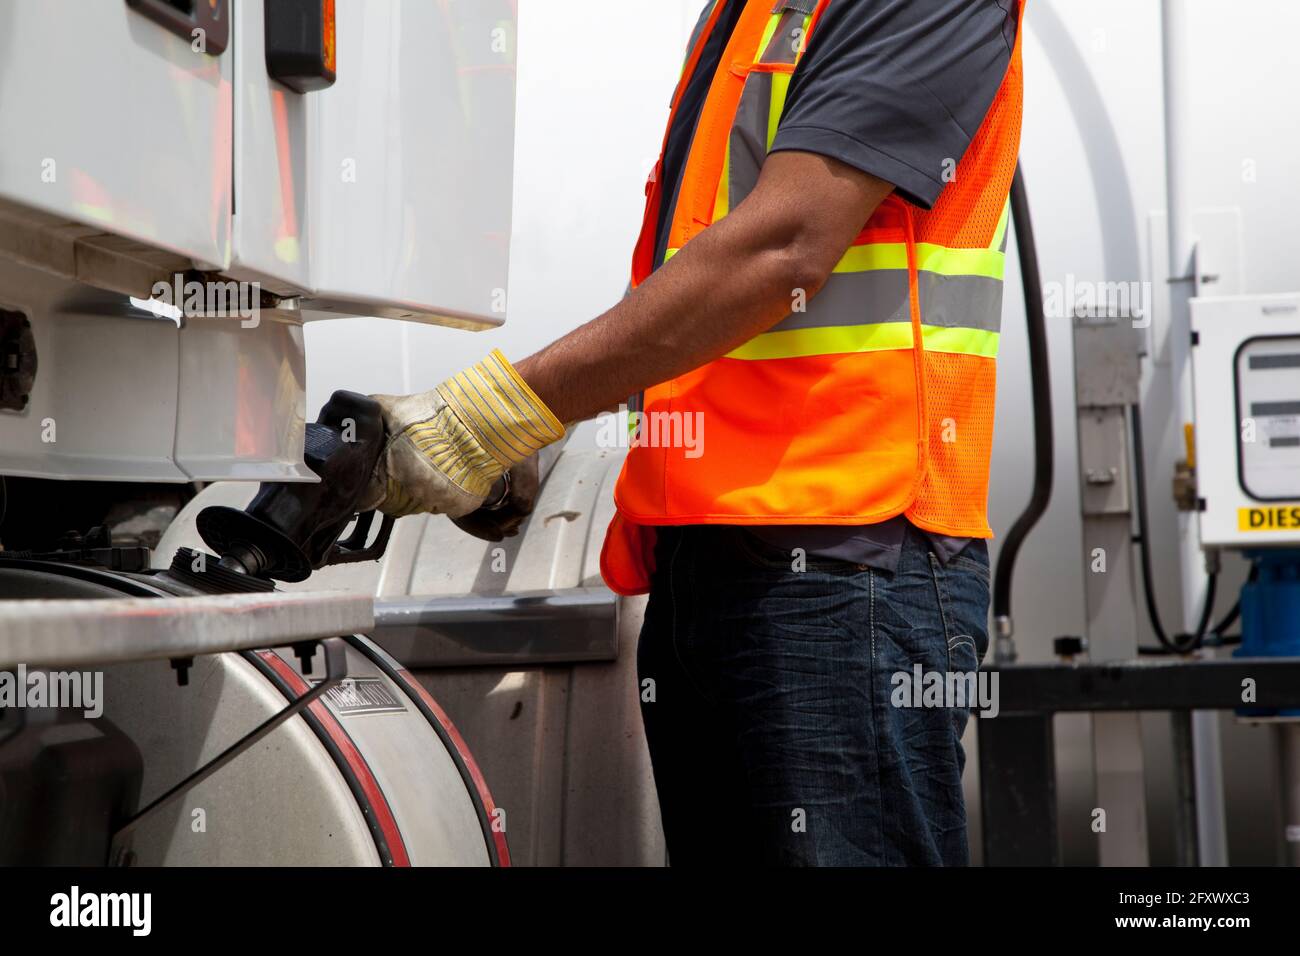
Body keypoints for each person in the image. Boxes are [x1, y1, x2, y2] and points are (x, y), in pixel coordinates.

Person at [365, 0, 1025, 866]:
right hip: (716, 565)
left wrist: (502, 414)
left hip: (848, 563)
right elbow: (704, 288)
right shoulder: (746, 13)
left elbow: (786, 246)